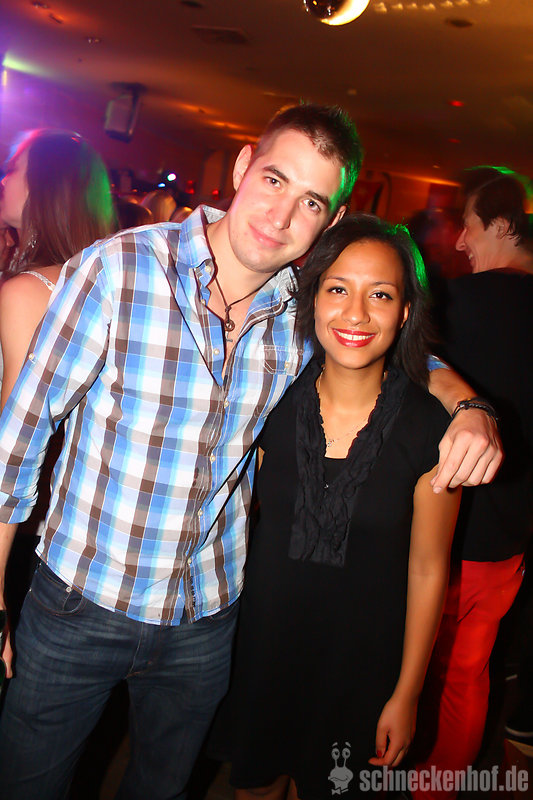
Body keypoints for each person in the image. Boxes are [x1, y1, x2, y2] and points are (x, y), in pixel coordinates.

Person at [0, 105, 501, 800]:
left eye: (310, 201)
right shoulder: (118, 269)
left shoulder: (301, 310)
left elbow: (381, 336)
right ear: (242, 167)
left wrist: (469, 404)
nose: (281, 213)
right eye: (273, 179)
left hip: (205, 620)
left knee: (163, 790)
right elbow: (18, 441)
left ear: (330, 218)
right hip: (77, 605)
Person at [209, 214, 462, 800]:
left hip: (364, 668)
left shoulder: (432, 430)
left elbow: (429, 570)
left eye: (381, 295)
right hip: (264, 651)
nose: (356, 314)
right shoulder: (271, 400)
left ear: (405, 311)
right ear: (314, 298)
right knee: (255, 787)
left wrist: (408, 693)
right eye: (338, 289)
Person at [413, 166, 533, 798]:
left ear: (503, 226)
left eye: (471, 226)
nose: (460, 241)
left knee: (419, 668)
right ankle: (439, 787)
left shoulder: (458, 306)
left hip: (445, 527)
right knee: (469, 671)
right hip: (511, 536)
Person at [0, 128, 117, 663]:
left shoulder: (29, 291)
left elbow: (13, 438)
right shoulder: (100, 281)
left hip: (21, 519)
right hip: (65, 518)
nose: (4, 179)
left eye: (14, 169)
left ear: (44, 189)